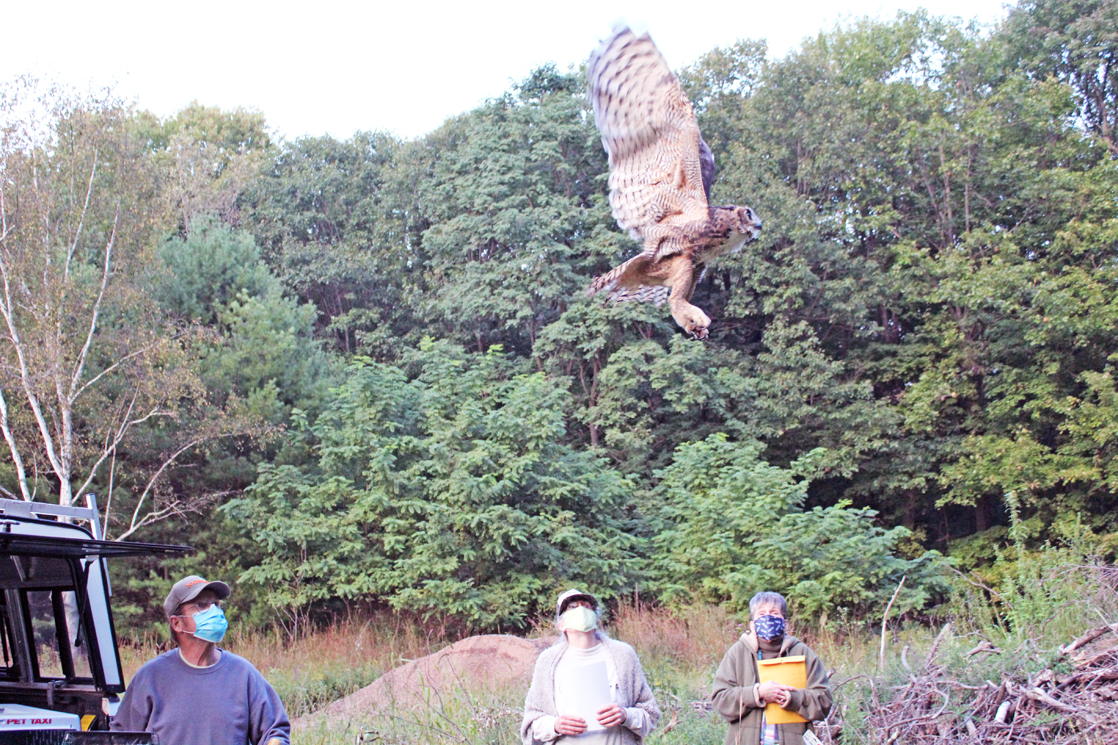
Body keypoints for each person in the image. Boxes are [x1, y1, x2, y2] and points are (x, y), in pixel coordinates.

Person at [111, 574, 291, 745]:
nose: (213, 610)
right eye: (201, 605)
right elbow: (121, 738)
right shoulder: (152, 676)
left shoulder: (243, 674)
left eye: (216, 604)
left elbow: (275, 731)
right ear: (177, 623)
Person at [521, 589, 660, 744]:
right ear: (561, 624)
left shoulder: (623, 656)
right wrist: (555, 725)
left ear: (597, 621)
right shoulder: (547, 662)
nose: (581, 611)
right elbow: (532, 725)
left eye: (587, 607)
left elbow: (651, 715)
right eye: (573, 607)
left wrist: (625, 715)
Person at [712, 591, 832, 745]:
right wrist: (758, 694)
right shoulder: (738, 652)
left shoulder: (802, 652)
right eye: (761, 614)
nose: (768, 618)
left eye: (774, 613)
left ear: (785, 623)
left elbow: (824, 700)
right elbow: (721, 699)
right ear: (753, 624)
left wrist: (792, 698)